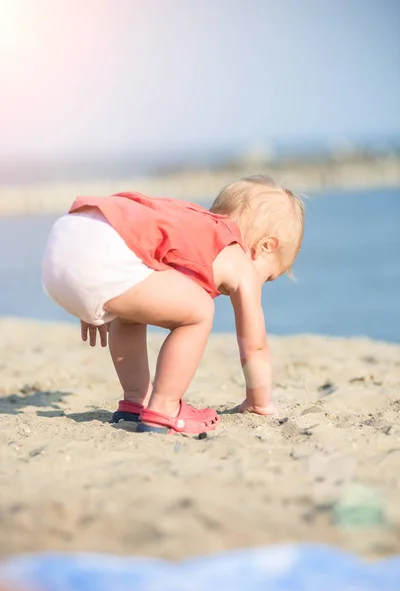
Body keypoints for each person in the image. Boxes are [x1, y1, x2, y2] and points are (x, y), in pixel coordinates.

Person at [41, 175, 304, 437]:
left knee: (132, 313)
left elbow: (123, 242)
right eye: (269, 277)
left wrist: (93, 293)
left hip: (73, 235)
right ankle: (165, 407)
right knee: (199, 312)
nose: (262, 283)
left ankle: (136, 400)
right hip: (103, 249)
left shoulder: (190, 226)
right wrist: (258, 401)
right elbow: (254, 344)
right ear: (265, 247)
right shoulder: (239, 260)